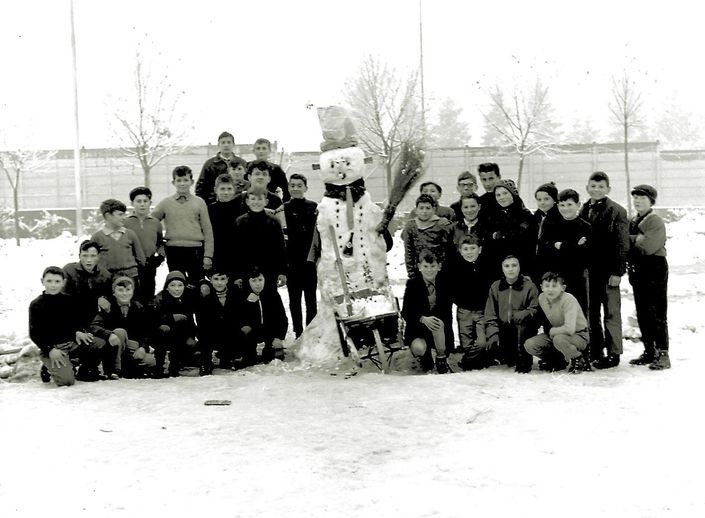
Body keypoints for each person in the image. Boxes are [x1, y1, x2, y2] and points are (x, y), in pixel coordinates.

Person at [579, 171, 629, 369]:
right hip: (590, 272)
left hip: (609, 272)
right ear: (587, 188)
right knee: (591, 313)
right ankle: (596, 351)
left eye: (601, 187)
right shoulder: (583, 209)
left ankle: (614, 353)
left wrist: (618, 272)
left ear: (608, 189)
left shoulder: (617, 211)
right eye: (593, 186)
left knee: (611, 313)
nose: (596, 190)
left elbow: (622, 244)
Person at [29, 266, 104, 386]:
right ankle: (47, 368)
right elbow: (35, 333)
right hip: (53, 348)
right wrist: (49, 350)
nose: (53, 285)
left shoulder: (69, 301)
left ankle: (77, 365)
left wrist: (79, 331)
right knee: (67, 382)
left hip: (71, 343)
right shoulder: (36, 305)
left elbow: (76, 322)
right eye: (49, 281)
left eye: (57, 281)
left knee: (99, 344)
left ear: (63, 282)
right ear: (42, 281)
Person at [627, 184, 670, 370]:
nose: (637, 201)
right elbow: (633, 243)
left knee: (657, 311)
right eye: (635, 197)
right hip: (639, 268)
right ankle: (649, 350)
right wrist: (635, 238)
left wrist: (631, 239)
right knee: (643, 311)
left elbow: (647, 246)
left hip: (654, 267)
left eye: (642, 198)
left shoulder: (654, 220)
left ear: (651, 201)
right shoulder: (635, 219)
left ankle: (663, 353)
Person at [152, 165, 214, 286]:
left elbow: (208, 230)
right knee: (177, 285)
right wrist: (159, 245)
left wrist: (208, 255)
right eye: (179, 180)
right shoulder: (166, 203)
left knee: (196, 285)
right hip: (174, 251)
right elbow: (152, 223)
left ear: (191, 182)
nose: (182, 184)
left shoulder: (199, 202)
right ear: (173, 182)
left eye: (185, 180)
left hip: (195, 251)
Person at [89, 276, 155, 379]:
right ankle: (113, 370)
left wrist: (143, 347)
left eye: (128, 290)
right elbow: (94, 326)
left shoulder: (138, 307)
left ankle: (128, 368)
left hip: (131, 347)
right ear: (114, 293)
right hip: (113, 347)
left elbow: (146, 331)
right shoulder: (108, 307)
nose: (125, 293)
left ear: (133, 291)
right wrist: (108, 334)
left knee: (150, 361)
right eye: (120, 290)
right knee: (120, 332)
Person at [524, 272, 591, 373]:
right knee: (530, 344)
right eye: (547, 286)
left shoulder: (568, 300)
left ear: (563, 288)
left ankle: (579, 358)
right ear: (541, 287)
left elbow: (569, 329)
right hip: (556, 334)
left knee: (559, 340)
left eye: (554, 286)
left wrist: (551, 331)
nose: (550, 289)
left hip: (578, 335)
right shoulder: (542, 298)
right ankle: (557, 361)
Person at [483, 255, 539, 373]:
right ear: (502, 268)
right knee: (502, 355)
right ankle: (503, 353)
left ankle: (524, 357)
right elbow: (490, 312)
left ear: (519, 267)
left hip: (522, 327)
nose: (510, 269)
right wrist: (493, 333)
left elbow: (535, 307)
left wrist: (524, 313)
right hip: (504, 327)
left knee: (524, 327)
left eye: (514, 265)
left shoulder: (529, 286)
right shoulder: (496, 286)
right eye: (506, 266)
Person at [539, 189, 591, 314]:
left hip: (576, 277)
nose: (565, 209)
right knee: (556, 314)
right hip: (555, 277)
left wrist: (560, 246)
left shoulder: (585, 226)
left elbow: (584, 255)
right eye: (562, 205)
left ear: (578, 205)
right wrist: (574, 246)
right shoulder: (552, 225)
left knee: (576, 312)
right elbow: (544, 248)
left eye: (569, 205)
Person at [401, 252, 454, 373]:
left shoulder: (445, 283)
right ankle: (425, 357)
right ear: (419, 267)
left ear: (439, 267)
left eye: (432, 266)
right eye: (425, 266)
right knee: (420, 348)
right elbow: (406, 311)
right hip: (417, 328)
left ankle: (441, 358)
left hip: (438, 329)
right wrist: (422, 319)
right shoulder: (412, 285)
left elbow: (446, 312)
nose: (429, 270)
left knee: (437, 323)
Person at [283, 173, 318, 337]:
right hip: (291, 262)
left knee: (311, 299)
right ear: (289, 188)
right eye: (293, 185)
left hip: (309, 261)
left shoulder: (313, 207)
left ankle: (311, 331)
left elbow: (318, 234)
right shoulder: (283, 209)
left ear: (306, 188)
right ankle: (298, 331)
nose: (296, 189)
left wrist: (316, 258)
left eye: (299, 185)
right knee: (294, 300)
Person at [233, 186, 288, 291]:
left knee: (269, 300)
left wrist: (282, 271)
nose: (256, 202)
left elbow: (280, 248)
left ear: (266, 201)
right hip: (246, 270)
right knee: (249, 302)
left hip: (269, 270)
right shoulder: (240, 222)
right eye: (253, 199)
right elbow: (235, 250)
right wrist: (237, 275)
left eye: (260, 199)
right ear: (247, 201)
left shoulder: (273, 222)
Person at [451, 237, 492, 370]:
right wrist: (458, 300)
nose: (469, 252)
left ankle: (468, 360)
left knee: (481, 341)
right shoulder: (456, 268)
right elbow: (452, 289)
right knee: (466, 341)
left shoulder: (486, 267)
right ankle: (475, 361)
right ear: (460, 251)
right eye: (466, 249)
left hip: (481, 310)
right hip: (464, 310)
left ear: (479, 250)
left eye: (473, 248)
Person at [150, 271, 199, 378]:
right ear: (167, 287)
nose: (177, 289)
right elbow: (154, 320)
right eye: (172, 285)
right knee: (165, 329)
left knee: (190, 342)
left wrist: (192, 336)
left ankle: (177, 364)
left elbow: (191, 321)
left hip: (181, 335)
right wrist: (171, 318)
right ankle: (159, 365)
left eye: (180, 285)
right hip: (162, 335)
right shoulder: (159, 298)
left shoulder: (188, 299)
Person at [238, 267, 288, 365]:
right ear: (248, 282)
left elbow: (282, 319)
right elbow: (237, 318)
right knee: (248, 359)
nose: (257, 283)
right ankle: (247, 352)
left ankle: (270, 349)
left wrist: (279, 337)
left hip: (269, 331)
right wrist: (248, 303)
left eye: (260, 280)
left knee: (273, 357)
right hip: (251, 332)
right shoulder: (242, 296)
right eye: (254, 281)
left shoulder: (273, 295)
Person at [91, 198, 146, 287]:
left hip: (131, 279)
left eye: (124, 214)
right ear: (108, 216)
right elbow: (92, 261)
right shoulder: (97, 237)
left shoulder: (130, 234)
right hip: (108, 280)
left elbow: (141, 259)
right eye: (120, 214)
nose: (124, 217)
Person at [124, 186, 165, 303]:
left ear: (150, 203)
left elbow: (159, 243)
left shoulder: (156, 223)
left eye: (145, 201)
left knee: (148, 294)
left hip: (150, 265)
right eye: (138, 201)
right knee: (134, 295)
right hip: (132, 266)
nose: (142, 204)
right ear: (132, 203)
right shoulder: (126, 223)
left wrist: (160, 257)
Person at [485, 180, 534, 278]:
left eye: (505, 193)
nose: (501, 197)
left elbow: (527, 243)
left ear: (513, 194)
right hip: (498, 269)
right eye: (498, 195)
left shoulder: (525, 215)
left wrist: (502, 235)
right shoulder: (492, 217)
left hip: (522, 267)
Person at [196, 270, 241, 375]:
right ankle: (205, 362)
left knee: (235, 331)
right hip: (211, 332)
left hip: (229, 331)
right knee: (204, 333)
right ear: (210, 280)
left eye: (222, 279)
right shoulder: (205, 298)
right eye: (216, 279)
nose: (219, 282)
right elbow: (201, 320)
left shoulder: (235, 295)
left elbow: (238, 316)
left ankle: (227, 358)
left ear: (227, 280)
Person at [62, 239, 113, 329]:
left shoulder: (105, 275)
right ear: (79, 256)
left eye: (93, 256)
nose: (88, 260)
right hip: (72, 319)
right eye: (85, 256)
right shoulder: (68, 271)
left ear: (98, 257)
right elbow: (63, 299)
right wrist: (94, 300)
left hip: (95, 321)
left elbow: (108, 300)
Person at [402, 194, 454, 279]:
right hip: (419, 269)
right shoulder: (411, 226)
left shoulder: (441, 225)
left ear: (433, 210)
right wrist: (411, 274)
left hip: (439, 270)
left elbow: (448, 249)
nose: (424, 211)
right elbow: (409, 252)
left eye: (428, 208)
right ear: (416, 210)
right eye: (421, 208)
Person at [195, 131, 245, 204]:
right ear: (218, 145)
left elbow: (247, 184)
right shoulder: (209, 164)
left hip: (238, 205)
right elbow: (200, 188)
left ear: (233, 145)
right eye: (223, 142)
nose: (226, 145)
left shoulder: (242, 163)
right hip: (215, 204)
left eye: (229, 142)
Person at [208, 174, 240, 276]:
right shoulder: (209, 210)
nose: (226, 192)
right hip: (216, 257)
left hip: (237, 257)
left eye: (229, 189)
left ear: (234, 189)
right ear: (215, 189)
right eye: (222, 189)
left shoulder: (241, 209)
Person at [530, 182, 560, 284]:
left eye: (546, 199)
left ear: (554, 200)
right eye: (539, 200)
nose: (542, 202)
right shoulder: (536, 217)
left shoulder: (558, 217)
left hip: (552, 264)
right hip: (536, 263)